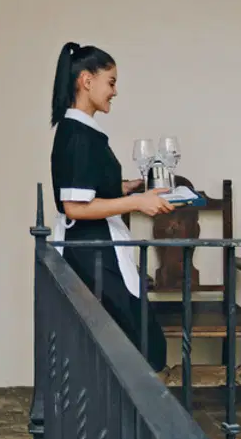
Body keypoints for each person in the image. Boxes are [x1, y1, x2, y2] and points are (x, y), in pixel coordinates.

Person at [49, 42, 172, 373]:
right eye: (111, 82)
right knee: (139, 344)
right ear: (86, 81)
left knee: (133, 342)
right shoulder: (78, 135)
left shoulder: (82, 131)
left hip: (98, 248)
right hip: (93, 252)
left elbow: (88, 188)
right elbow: (75, 207)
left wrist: (126, 187)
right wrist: (137, 202)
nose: (115, 91)